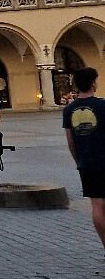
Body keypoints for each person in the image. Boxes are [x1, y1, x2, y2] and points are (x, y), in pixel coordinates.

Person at [61, 66, 105, 256]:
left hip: (87, 163)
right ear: (93, 83)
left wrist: (79, 160)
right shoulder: (103, 105)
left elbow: (70, 141)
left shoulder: (69, 109)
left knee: (97, 205)